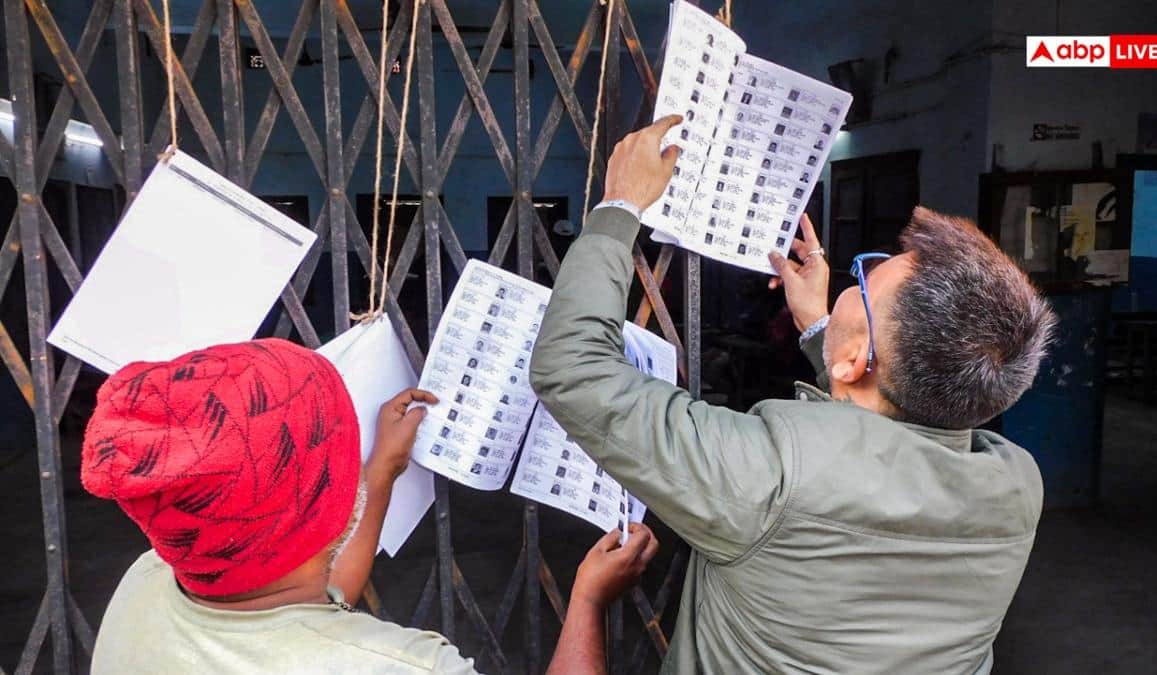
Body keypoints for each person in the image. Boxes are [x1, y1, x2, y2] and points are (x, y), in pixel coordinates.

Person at [530, 116, 1056, 674]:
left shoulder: (772, 475)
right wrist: (826, 337)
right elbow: (890, 433)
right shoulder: (1017, 485)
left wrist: (619, 207)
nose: (849, 286)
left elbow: (572, 368)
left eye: (863, 283)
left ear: (858, 361)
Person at [84, 338, 658, 674]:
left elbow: (307, 595)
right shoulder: (403, 669)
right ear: (320, 506)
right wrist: (586, 599)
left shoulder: (149, 582)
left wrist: (379, 474)